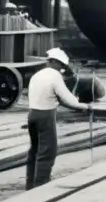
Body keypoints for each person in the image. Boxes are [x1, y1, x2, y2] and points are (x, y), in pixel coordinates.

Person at [26, 47, 90, 189]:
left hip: (32, 115)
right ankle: (41, 186)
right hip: (45, 116)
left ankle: (30, 185)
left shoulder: (37, 75)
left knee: (34, 150)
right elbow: (69, 99)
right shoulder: (54, 76)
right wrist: (85, 106)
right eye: (61, 65)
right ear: (54, 62)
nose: (61, 69)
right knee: (47, 151)